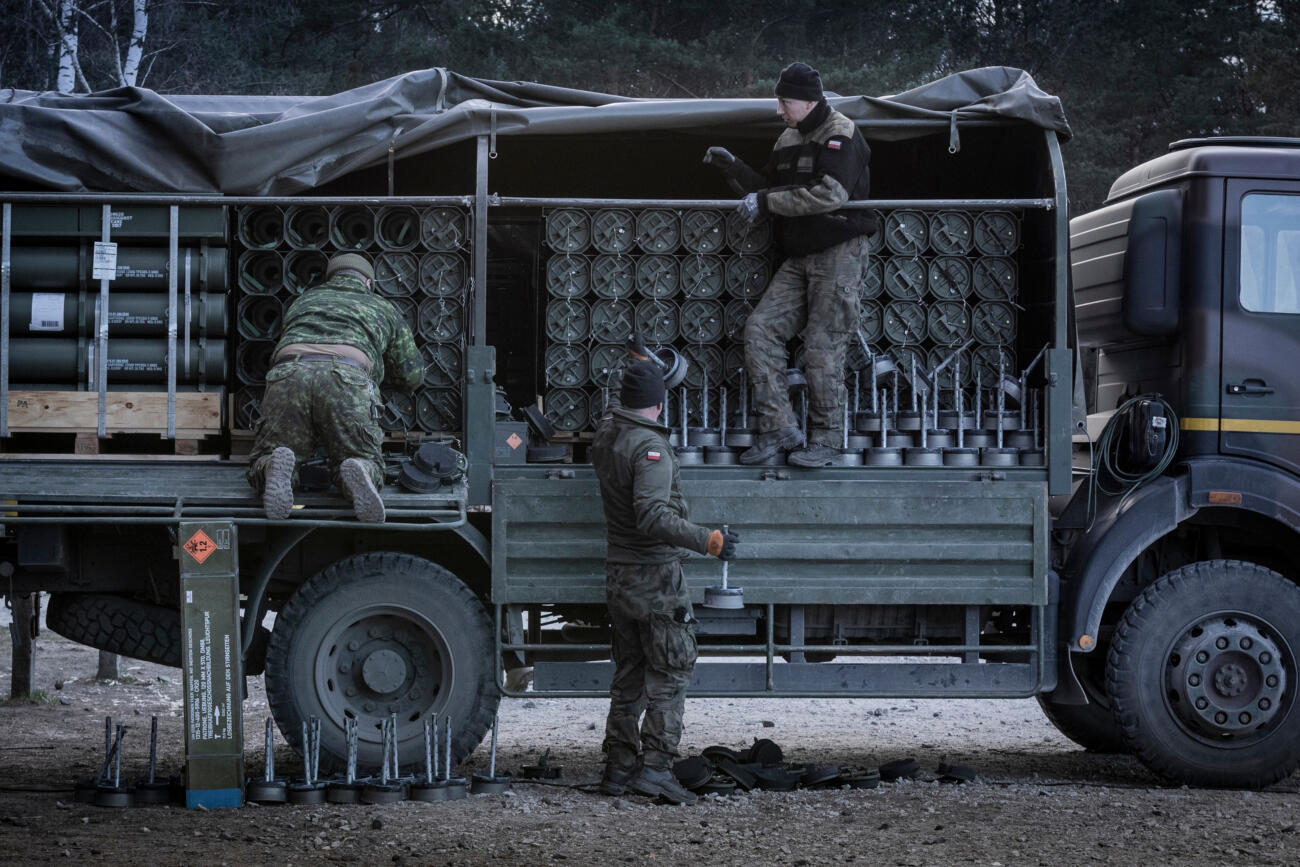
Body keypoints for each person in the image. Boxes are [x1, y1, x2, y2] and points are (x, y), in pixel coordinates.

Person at [704, 61, 876, 467]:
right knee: (760, 330)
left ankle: (827, 439)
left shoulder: (841, 132)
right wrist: (733, 168)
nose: (779, 110)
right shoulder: (787, 137)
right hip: (800, 255)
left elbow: (831, 193)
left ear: (809, 101)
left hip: (839, 250)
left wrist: (765, 201)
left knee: (823, 345)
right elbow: (769, 189)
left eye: (785, 102)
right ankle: (779, 428)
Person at [589, 360, 740, 806]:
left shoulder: (606, 435)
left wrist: (637, 368)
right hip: (654, 577)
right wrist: (708, 540)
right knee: (671, 673)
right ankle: (655, 769)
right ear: (659, 403)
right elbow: (653, 514)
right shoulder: (649, 447)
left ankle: (618, 767)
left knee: (630, 673)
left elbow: (615, 406)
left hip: (619, 574)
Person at [246, 253, 423, 522]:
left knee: (269, 452)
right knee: (362, 456)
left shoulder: (303, 301)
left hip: (289, 374)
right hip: (347, 378)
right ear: (368, 281)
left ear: (331, 277)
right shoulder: (382, 306)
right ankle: (359, 467)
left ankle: (272, 466)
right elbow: (412, 375)